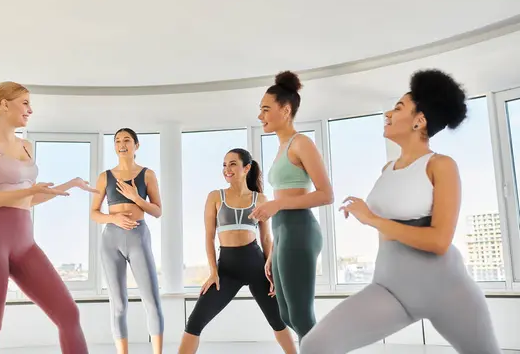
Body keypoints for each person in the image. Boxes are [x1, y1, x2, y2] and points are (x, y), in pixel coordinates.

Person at [299, 69, 501, 354]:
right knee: (315, 345)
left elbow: (439, 241)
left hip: (448, 292)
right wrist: (369, 214)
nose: (388, 115)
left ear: (419, 121)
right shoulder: (387, 170)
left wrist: (372, 219)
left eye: (398, 108)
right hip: (391, 290)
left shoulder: (440, 165)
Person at [0, 81, 97, 354]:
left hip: (25, 244)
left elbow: (29, 198)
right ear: (4, 104)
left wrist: (66, 185)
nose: (30, 109)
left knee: (68, 314)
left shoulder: (26, 146)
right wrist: (29, 190)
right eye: (25, 102)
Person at [178, 148, 297, 354]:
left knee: (277, 321)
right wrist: (213, 272)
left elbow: (266, 238)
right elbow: (209, 236)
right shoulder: (215, 197)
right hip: (226, 270)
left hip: (256, 266)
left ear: (246, 168)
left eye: (232, 164)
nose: (227, 169)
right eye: (224, 165)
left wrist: (273, 273)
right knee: (195, 321)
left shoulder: (259, 199)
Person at [249, 71, 334, 342]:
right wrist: (273, 251)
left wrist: (278, 204)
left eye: (265, 109)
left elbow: (326, 195)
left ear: (285, 110)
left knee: (300, 315)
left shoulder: (302, 143)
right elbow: (279, 205)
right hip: (285, 234)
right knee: (286, 314)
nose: (260, 116)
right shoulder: (281, 147)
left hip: (300, 231)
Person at [90, 128, 164, 354]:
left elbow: (158, 211)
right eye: (118, 141)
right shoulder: (105, 177)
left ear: (136, 146)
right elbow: (94, 212)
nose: (122, 144)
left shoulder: (147, 174)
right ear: (114, 146)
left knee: (151, 301)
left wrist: (136, 198)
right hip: (110, 239)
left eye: (127, 140)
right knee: (119, 304)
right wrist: (113, 218)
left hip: (138, 237)